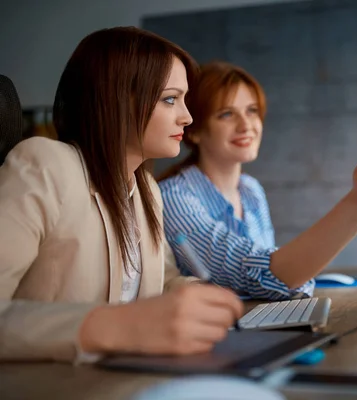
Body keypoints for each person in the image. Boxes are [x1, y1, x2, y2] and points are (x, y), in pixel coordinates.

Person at [0, 28, 243, 363]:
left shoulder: (147, 192)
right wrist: (111, 327)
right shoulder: (45, 165)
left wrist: (193, 296)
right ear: (116, 98)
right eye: (170, 99)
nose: (187, 116)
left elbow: (162, 280)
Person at [159, 61, 357, 300]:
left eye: (252, 110)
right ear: (194, 130)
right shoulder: (174, 197)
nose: (246, 125)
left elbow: (277, 277)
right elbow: (266, 276)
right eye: (226, 114)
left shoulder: (251, 190)